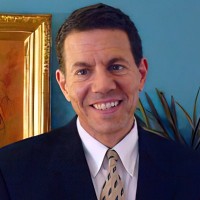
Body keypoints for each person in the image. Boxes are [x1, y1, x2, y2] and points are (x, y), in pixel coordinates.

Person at [0, 3, 200, 200]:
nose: (103, 86)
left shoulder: (192, 171)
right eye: (83, 71)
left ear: (141, 74)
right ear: (64, 85)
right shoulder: (10, 171)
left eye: (116, 67)